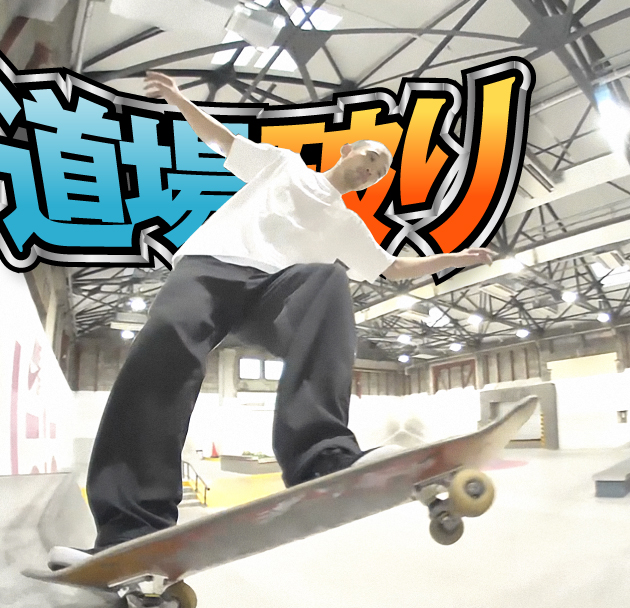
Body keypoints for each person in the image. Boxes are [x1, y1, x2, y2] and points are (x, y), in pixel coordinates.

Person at [48, 72, 493, 570]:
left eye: (380, 171)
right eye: (370, 158)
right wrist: (178, 99)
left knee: (328, 281)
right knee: (165, 351)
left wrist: (454, 258)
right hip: (211, 268)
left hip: (272, 295)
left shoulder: (348, 223)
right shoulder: (286, 165)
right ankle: (130, 528)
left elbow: (391, 267)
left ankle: (323, 458)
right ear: (347, 150)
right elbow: (223, 140)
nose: (372, 170)